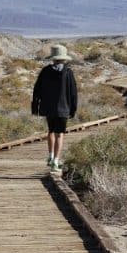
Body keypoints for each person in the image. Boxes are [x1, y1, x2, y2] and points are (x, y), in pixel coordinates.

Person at [31, 44, 78, 172]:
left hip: (48, 107)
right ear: (64, 58)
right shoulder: (68, 72)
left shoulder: (45, 71)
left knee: (50, 131)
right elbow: (73, 92)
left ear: (53, 58)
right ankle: (56, 161)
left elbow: (37, 89)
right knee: (60, 134)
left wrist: (36, 106)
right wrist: (73, 108)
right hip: (63, 108)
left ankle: (51, 157)